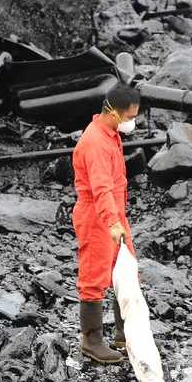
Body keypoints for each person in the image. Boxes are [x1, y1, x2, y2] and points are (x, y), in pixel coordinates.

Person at [71, 84, 140, 364]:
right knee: (94, 278)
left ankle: (125, 334)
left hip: (114, 210)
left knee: (126, 272)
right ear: (113, 113)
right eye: (129, 116)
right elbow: (100, 188)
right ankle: (92, 341)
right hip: (97, 215)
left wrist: (117, 217)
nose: (131, 122)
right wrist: (112, 222)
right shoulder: (96, 143)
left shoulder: (110, 133)